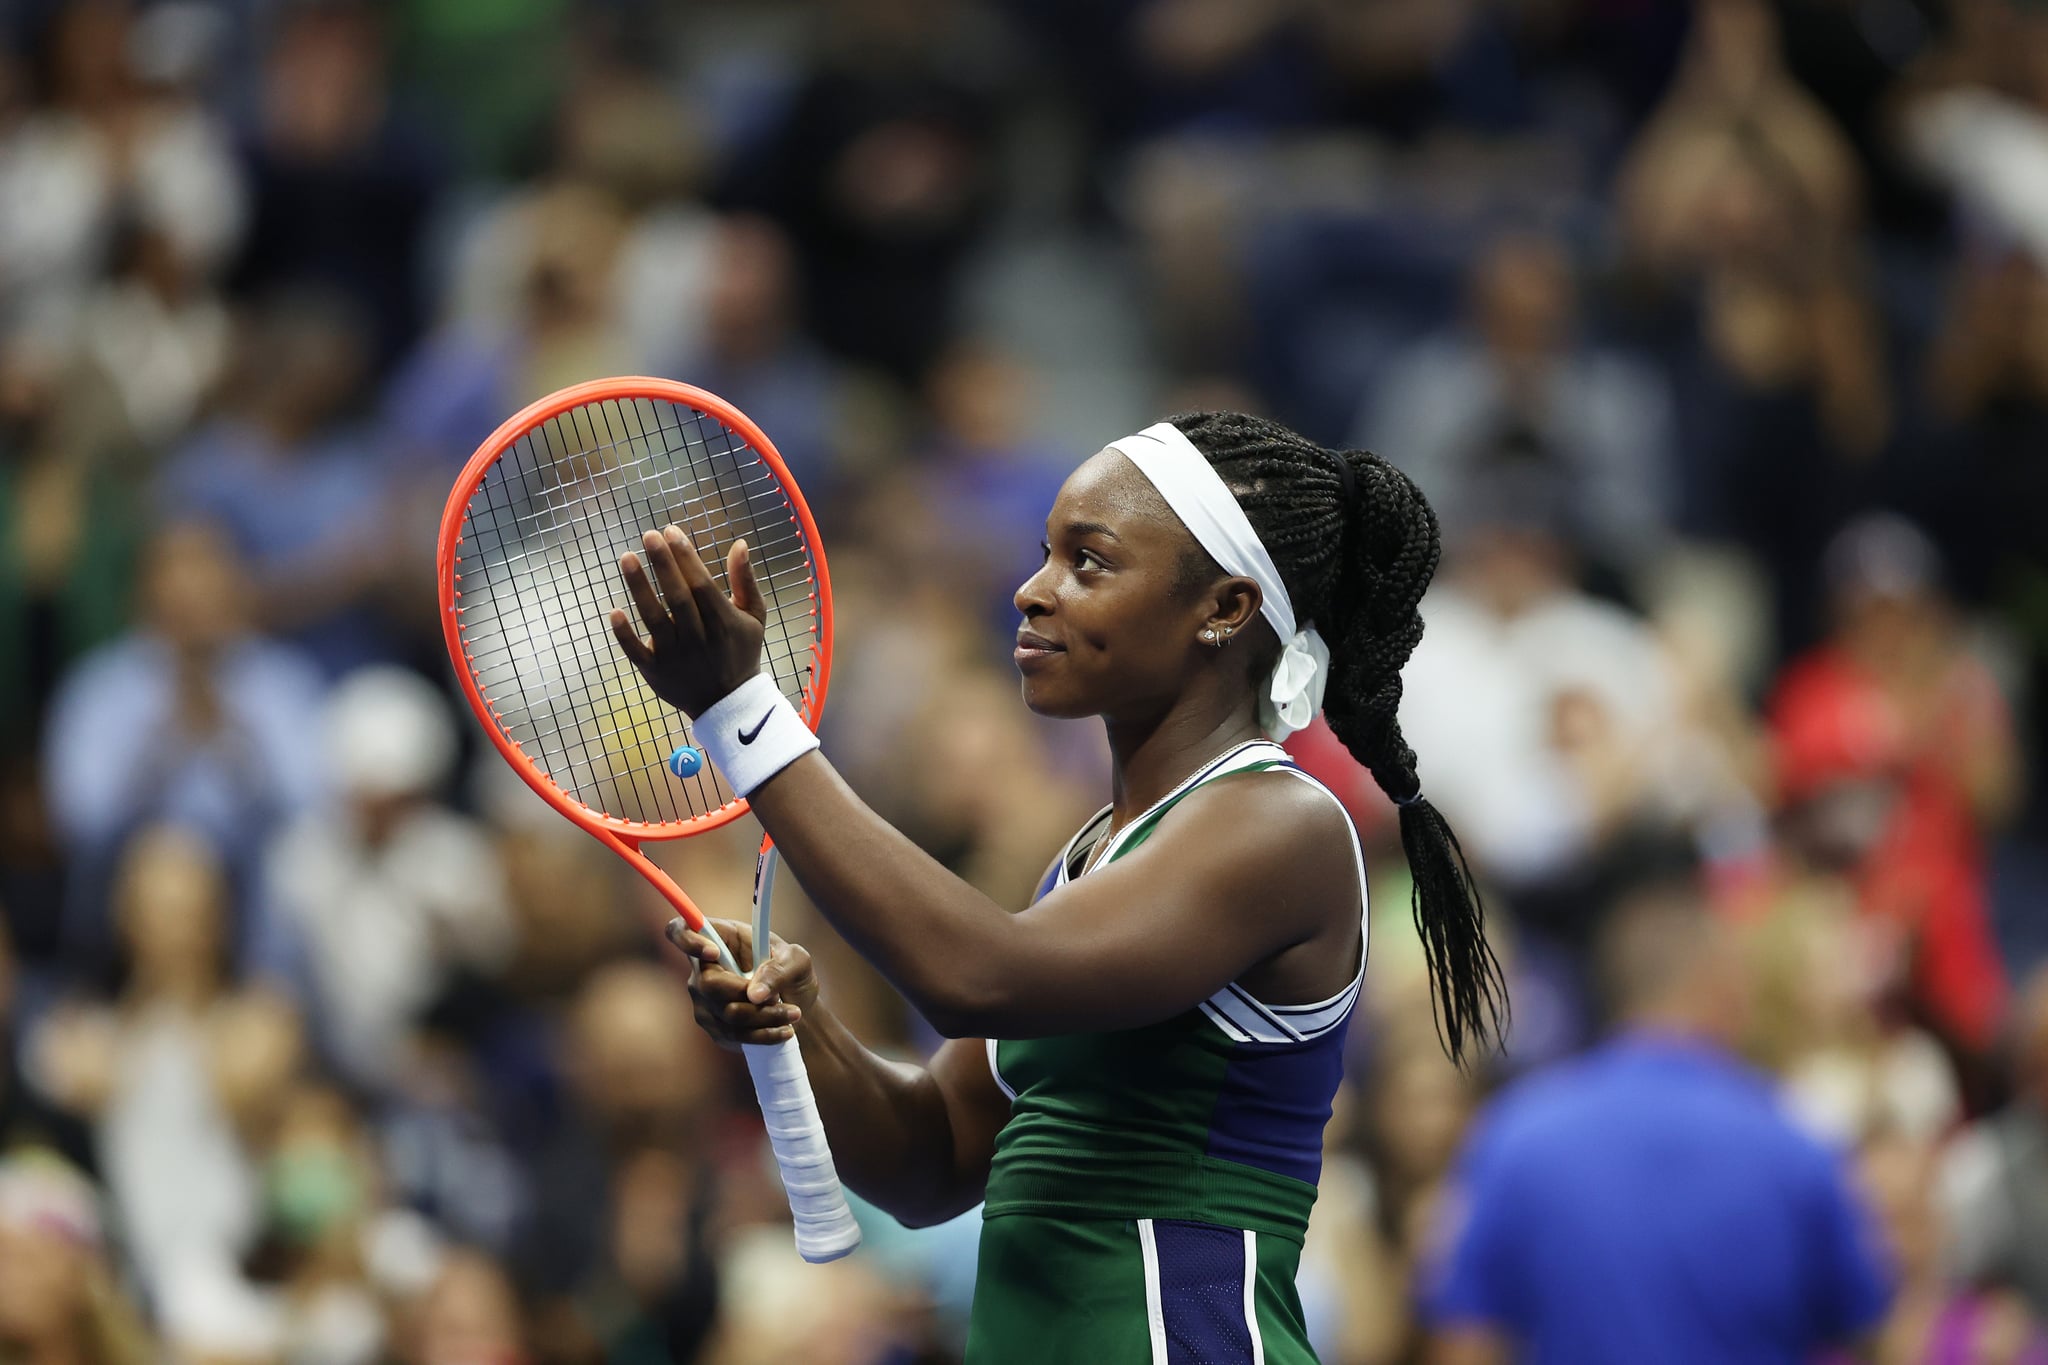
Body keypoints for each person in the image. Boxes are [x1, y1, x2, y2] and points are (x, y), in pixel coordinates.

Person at [611, 411, 1506, 1363]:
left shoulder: (1280, 826)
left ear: (1226, 608)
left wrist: (747, 717)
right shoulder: (1090, 861)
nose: (1033, 591)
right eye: (1046, 554)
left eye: (1090, 561)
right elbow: (936, 1157)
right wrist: (802, 1030)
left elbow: (978, 974)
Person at [1421, 884, 1893, 1365]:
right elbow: (1871, 1332)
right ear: (1718, 987)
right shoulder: (1794, 1141)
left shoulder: (1516, 1138)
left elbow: (1466, 1340)